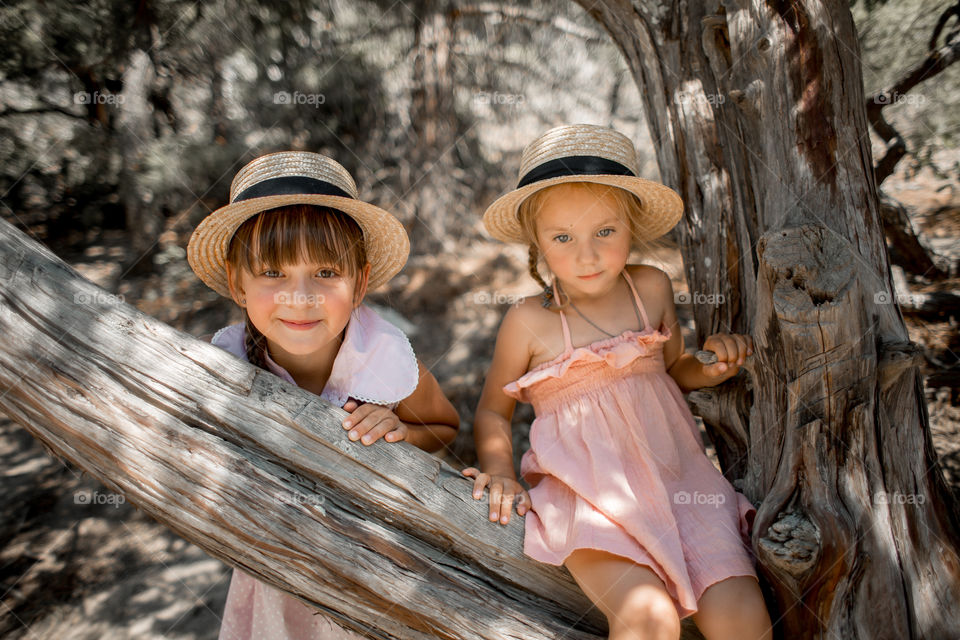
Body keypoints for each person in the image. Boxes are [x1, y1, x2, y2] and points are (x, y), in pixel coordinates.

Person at [462, 125, 773, 640]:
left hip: (681, 484)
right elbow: (494, 411)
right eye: (563, 238)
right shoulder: (527, 321)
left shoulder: (649, 287)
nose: (587, 256)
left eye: (605, 231)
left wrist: (714, 362)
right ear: (536, 246)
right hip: (586, 497)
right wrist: (499, 470)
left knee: (743, 619)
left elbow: (677, 370)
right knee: (648, 621)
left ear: (632, 226)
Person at [187, 151, 460, 640]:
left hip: (379, 569)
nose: (301, 296)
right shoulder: (227, 363)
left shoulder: (384, 358)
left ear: (359, 284)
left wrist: (402, 431)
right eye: (273, 273)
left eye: (326, 272)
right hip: (276, 572)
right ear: (236, 283)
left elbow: (445, 428)